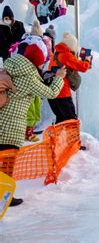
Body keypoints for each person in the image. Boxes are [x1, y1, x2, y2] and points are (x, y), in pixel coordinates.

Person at [0, 44, 66, 207]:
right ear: (36, 62)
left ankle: (5, 195)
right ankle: (4, 197)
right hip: (11, 126)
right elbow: (50, 93)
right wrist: (59, 77)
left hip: (1, 119)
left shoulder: (10, 67)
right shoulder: (29, 77)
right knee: (7, 164)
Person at [47, 33, 91, 124]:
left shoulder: (56, 54)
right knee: (71, 120)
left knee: (61, 119)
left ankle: (60, 137)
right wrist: (87, 60)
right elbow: (83, 67)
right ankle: (72, 138)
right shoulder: (66, 55)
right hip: (63, 93)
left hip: (52, 92)